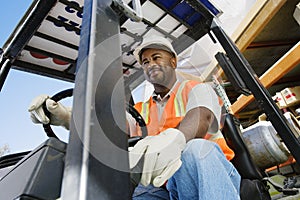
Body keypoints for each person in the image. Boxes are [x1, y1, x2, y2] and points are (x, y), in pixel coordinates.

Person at [28, 35, 241, 199]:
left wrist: (176, 140)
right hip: (165, 186)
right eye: (145, 62)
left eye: (156, 58)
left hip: (208, 176)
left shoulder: (198, 89)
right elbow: (106, 125)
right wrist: (66, 117)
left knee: (197, 149)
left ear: (174, 62)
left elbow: (201, 116)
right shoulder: (140, 110)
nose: (150, 64)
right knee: (135, 190)